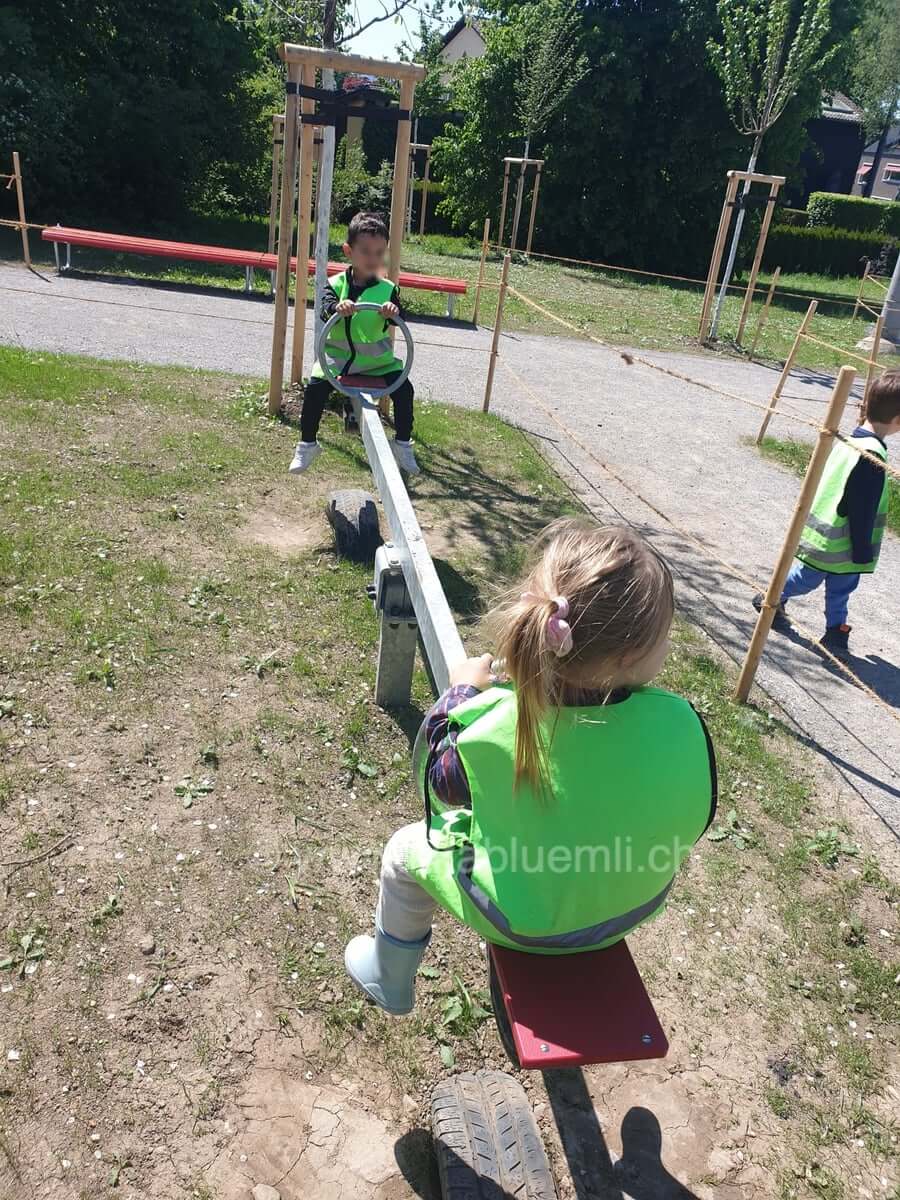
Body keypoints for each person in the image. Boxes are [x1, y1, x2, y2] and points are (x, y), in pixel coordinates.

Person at [344, 519, 717, 1016]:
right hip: (631, 907)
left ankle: (389, 977)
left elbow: (436, 780)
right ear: (631, 655)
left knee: (402, 852)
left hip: (519, 922)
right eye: (664, 637)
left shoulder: (495, 724)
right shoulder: (680, 721)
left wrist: (458, 694)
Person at [754, 370, 900, 658]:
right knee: (807, 580)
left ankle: (835, 629)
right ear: (897, 421)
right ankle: (770, 597)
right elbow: (861, 508)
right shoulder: (872, 457)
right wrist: (862, 550)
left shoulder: (850, 440)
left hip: (825, 534)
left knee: (841, 586)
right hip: (840, 543)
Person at [288, 211, 419, 476]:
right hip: (337, 361)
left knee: (404, 391)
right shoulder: (335, 285)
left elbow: (400, 318)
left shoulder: (387, 289)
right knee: (314, 390)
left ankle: (403, 443)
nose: (373, 259)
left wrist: (393, 312)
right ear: (348, 251)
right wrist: (338, 307)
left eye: (379, 253)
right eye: (366, 252)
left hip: (377, 363)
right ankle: (307, 443)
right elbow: (325, 309)